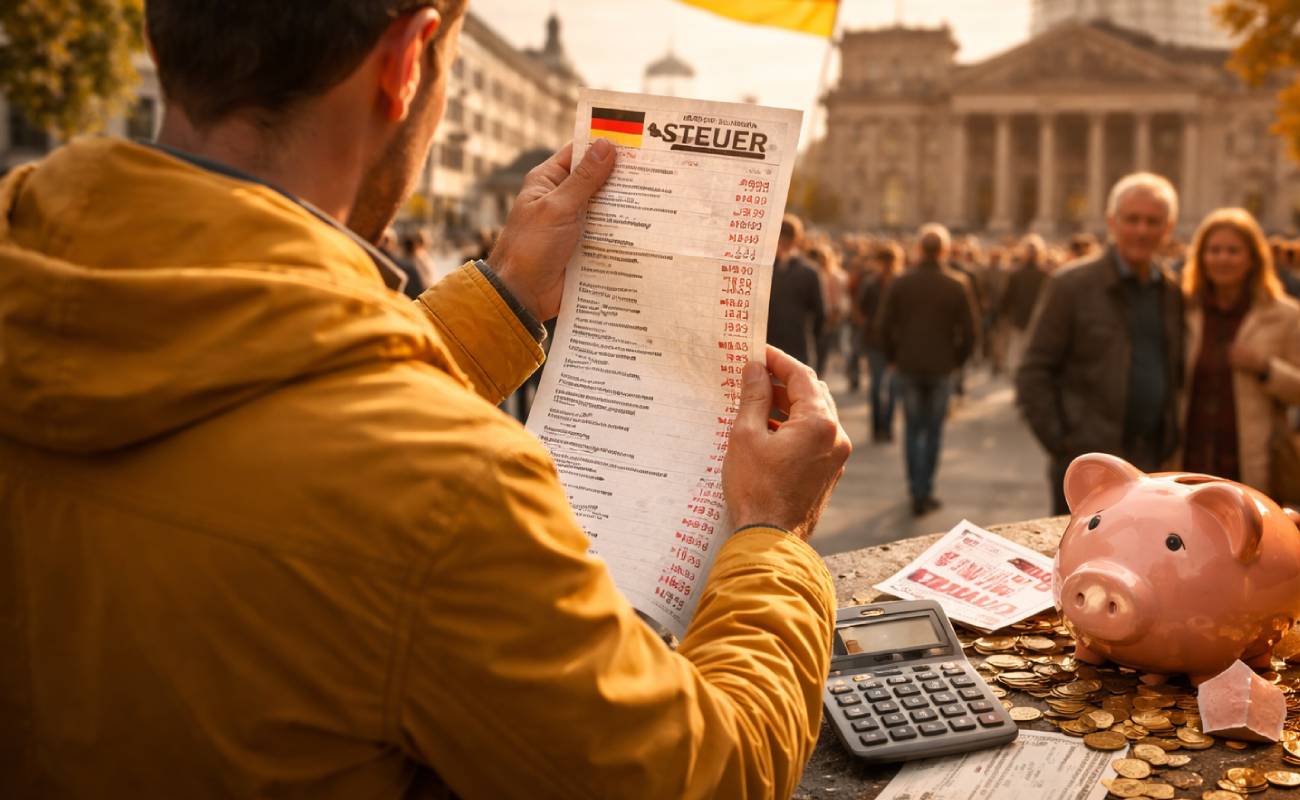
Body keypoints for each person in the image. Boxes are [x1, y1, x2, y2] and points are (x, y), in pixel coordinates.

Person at [0, 2, 853, 797]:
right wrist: (770, 535)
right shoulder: (450, 494)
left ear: (161, 39)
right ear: (406, 63)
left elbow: (258, 387)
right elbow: (707, 772)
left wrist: (508, 294)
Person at [1016, 173, 1185, 516]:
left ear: (1168, 228)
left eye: (1152, 221)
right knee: (1082, 562)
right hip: (1089, 464)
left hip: (1152, 464)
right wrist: (1065, 446)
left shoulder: (1172, 292)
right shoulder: (1071, 285)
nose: (1141, 230)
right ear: (1112, 223)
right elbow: (1033, 372)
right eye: (1132, 219)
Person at [1179, 208, 1300, 492]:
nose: (1222, 258)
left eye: (1233, 251)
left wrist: (1265, 367)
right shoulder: (1184, 309)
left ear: (1253, 259)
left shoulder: (1285, 315)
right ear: (1201, 257)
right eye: (1214, 250)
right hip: (1187, 459)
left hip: (1251, 462)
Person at [876, 224, 978, 515]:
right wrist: (956, 362)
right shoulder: (957, 284)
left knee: (912, 429)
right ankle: (926, 488)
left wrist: (893, 357)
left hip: (908, 365)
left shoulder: (901, 282)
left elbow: (883, 326)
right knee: (933, 432)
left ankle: (915, 488)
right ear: (945, 251)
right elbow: (971, 332)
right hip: (941, 367)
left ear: (919, 250)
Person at [856, 241, 903, 442]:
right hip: (874, 342)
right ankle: (877, 427)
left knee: (892, 388)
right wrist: (867, 324)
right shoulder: (870, 283)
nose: (887, 267)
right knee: (876, 386)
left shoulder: (901, 283)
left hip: (895, 342)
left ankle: (888, 425)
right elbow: (858, 309)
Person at [766, 213, 825, 367]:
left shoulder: (765, 269)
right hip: (798, 345)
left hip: (770, 346)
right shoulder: (810, 271)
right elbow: (820, 313)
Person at [998, 234, 1050, 376]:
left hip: (1019, 320)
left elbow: (1006, 298)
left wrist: (1003, 314)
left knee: (1016, 357)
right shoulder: (1046, 274)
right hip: (1038, 322)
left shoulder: (1016, 274)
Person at [807, 240, 848, 377]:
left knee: (821, 352)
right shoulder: (810, 275)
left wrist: (831, 321)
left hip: (827, 320)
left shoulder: (835, 276)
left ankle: (818, 375)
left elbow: (837, 302)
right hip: (811, 319)